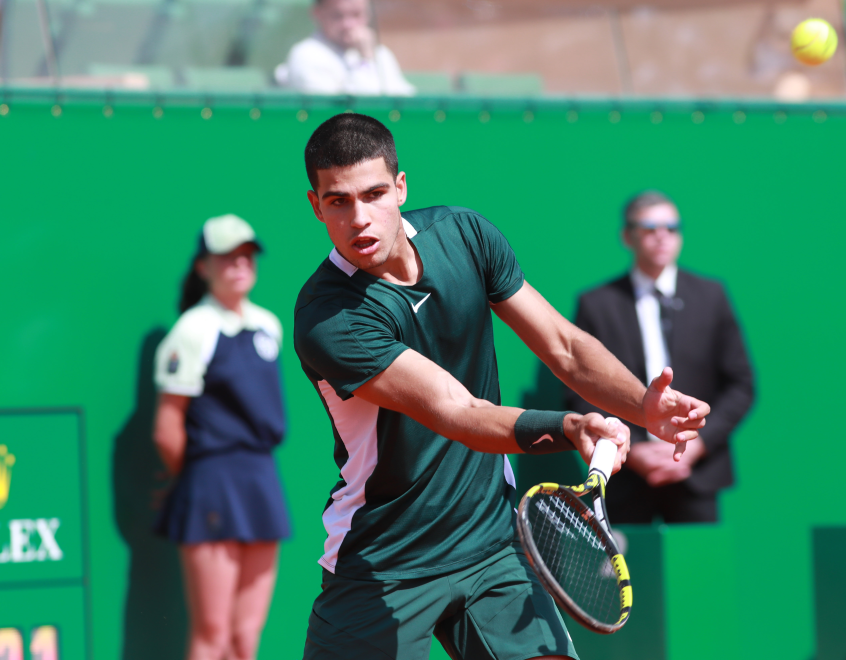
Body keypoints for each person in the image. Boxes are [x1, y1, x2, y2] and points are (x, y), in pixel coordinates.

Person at [293, 113, 711, 660]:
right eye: (338, 201)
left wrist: (642, 406)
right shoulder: (331, 318)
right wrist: (570, 426)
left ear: (401, 187)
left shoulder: (463, 235)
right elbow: (457, 412)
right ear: (316, 205)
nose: (360, 218)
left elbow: (562, 344)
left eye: (373, 194)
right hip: (384, 563)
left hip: (490, 545)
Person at [566, 191, 755, 524]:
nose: (662, 236)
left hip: (697, 475)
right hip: (624, 474)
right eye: (650, 227)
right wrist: (634, 449)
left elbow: (741, 385)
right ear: (628, 237)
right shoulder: (597, 304)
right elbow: (578, 387)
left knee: (700, 572)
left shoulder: (712, 296)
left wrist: (696, 446)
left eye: (671, 227)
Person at [153, 214, 290, 660]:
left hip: (261, 481)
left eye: (246, 255)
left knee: (245, 638)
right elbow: (167, 428)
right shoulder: (191, 331)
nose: (239, 264)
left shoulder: (269, 325)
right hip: (211, 482)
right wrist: (197, 481)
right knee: (212, 634)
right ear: (203, 267)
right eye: (227, 256)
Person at [274, 0, 415, 96]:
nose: (348, 25)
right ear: (317, 13)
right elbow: (346, 118)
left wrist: (368, 56)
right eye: (338, 15)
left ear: (368, 13)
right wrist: (365, 60)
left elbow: (402, 100)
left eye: (356, 14)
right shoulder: (305, 55)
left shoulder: (381, 54)